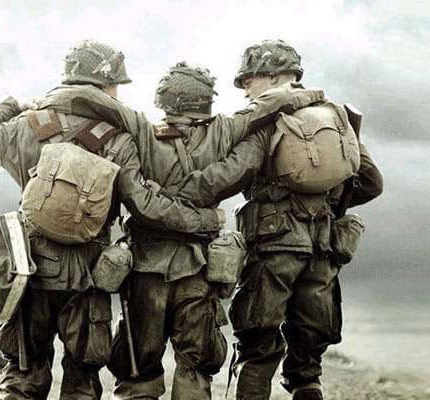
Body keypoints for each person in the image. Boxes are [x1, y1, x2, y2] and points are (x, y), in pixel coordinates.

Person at [0, 40, 225, 400]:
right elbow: (145, 207)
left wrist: (13, 105)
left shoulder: (23, 128)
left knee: (23, 373)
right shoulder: (119, 139)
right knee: (82, 378)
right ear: (107, 84)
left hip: (29, 267)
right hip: (89, 273)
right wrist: (205, 219)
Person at [56, 61, 327, 400]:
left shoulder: (139, 131)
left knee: (137, 374)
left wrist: (47, 100)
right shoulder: (225, 130)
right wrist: (309, 95)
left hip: (145, 271)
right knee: (195, 369)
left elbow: (99, 109)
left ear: (165, 99)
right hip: (199, 271)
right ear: (206, 100)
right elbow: (262, 119)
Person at [160, 40, 384, 400]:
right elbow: (372, 182)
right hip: (324, 248)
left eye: (249, 80)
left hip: (274, 247)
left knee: (258, 344)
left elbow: (228, 176)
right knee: (308, 359)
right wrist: (325, 205)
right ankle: (307, 385)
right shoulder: (336, 116)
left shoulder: (269, 121)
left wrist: (171, 192)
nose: (246, 89)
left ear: (275, 77)